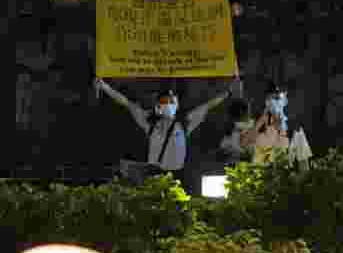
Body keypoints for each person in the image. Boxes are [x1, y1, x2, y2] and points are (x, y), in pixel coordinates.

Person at [96, 76, 240, 187]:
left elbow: (207, 106)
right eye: (166, 101)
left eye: (172, 101)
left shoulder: (185, 123)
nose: (169, 104)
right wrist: (104, 86)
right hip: (154, 174)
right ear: (158, 107)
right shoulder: (149, 122)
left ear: (177, 105)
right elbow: (126, 103)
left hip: (179, 176)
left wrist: (228, 92)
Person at [243, 82, 292, 164]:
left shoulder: (283, 123)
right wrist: (261, 121)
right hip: (259, 169)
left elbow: (284, 148)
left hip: (277, 169)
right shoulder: (256, 121)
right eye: (270, 99)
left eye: (276, 99)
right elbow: (244, 143)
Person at [217, 98, 255, 166]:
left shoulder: (253, 124)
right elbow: (223, 155)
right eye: (248, 111)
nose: (249, 113)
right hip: (241, 168)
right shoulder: (230, 131)